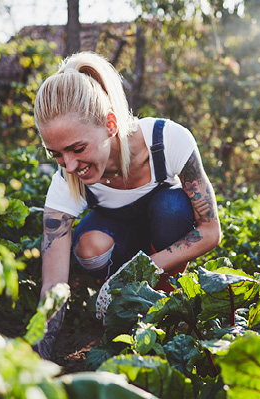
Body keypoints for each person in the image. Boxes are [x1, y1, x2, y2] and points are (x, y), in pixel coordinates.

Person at [32, 51, 221, 360]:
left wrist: (138, 271)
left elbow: (211, 231)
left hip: (163, 231)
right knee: (89, 248)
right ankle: (119, 304)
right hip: (121, 235)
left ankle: (162, 295)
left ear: (110, 124)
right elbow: (54, 284)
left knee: (171, 210)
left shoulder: (167, 141)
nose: (68, 165)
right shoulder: (66, 182)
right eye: (56, 154)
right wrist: (36, 354)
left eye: (77, 148)